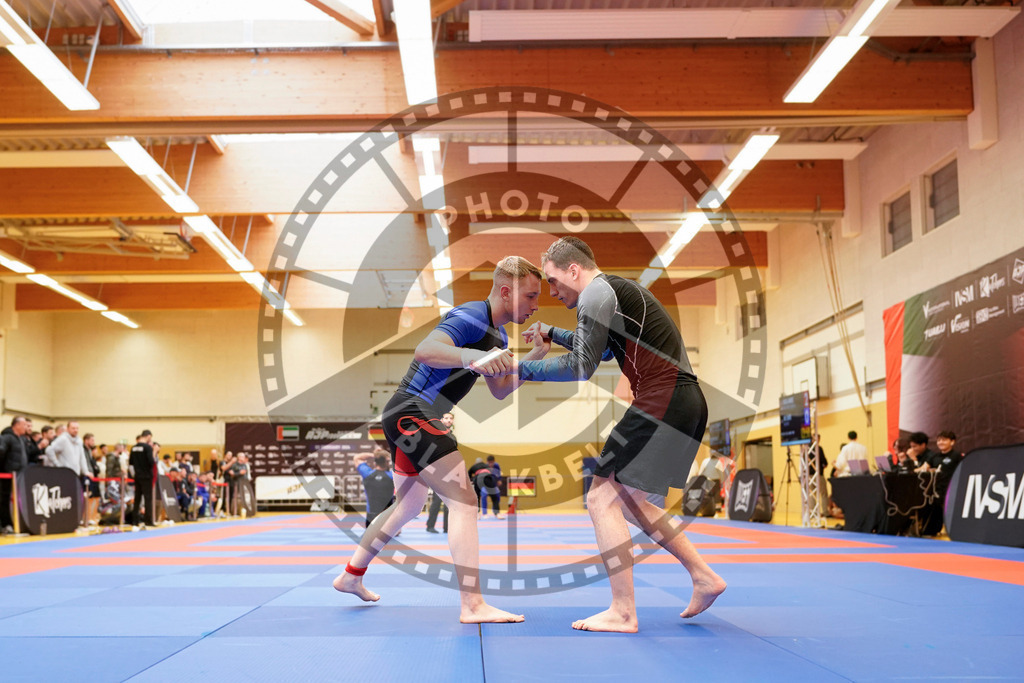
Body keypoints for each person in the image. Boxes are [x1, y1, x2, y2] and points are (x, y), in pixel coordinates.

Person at [518, 236, 725, 632]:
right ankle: (703, 576)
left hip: (663, 399)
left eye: (553, 280)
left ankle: (624, 611)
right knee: (628, 501)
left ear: (574, 269)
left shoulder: (596, 293)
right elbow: (608, 350)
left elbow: (582, 366)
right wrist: (551, 332)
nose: (551, 290)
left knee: (599, 498)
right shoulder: (611, 293)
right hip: (680, 400)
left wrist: (520, 370)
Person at [334, 255, 547, 624]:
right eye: (530, 296)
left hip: (411, 416)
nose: (535, 305)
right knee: (464, 501)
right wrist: (472, 357)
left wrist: (536, 356)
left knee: (408, 506)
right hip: (412, 411)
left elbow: (500, 390)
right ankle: (473, 605)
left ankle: (350, 576)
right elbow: (426, 350)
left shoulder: (498, 335)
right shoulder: (471, 316)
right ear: (506, 291)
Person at [425, 412, 454, 534]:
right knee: (437, 501)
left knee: (449, 502)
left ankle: (447, 528)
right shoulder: (435, 434)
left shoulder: (452, 437)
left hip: (450, 472)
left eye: (451, 418)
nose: (448, 420)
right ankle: (430, 525)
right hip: (438, 472)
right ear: (441, 420)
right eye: (446, 418)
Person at [0, 416, 30, 534]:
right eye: (24, 425)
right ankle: (5, 524)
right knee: (5, 500)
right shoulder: (7, 438)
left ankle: (15, 523)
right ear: (16, 425)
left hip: (19, 476)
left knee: (16, 501)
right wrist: (5, 469)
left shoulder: (21, 439)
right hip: (8, 475)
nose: (26, 427)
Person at [354, 450, 395, 527]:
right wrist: (383, 455)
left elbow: (356, 458)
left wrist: (375, 455)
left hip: (371, 517)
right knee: (396, 532)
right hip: (387, 517)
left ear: (375, 461)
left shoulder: (367, 474)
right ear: (387, 462)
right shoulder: (392, 476)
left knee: (371, 537)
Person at [129, 430, 157, 528]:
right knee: (147, 499)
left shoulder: (133, 448)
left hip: (137, 476)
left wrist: (135, 474)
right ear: (148, 436)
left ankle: (134, 521)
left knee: (137, 499)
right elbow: (151, 461)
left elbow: (131, 463)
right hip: (146, 476)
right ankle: (148, 521)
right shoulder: (147, 447)